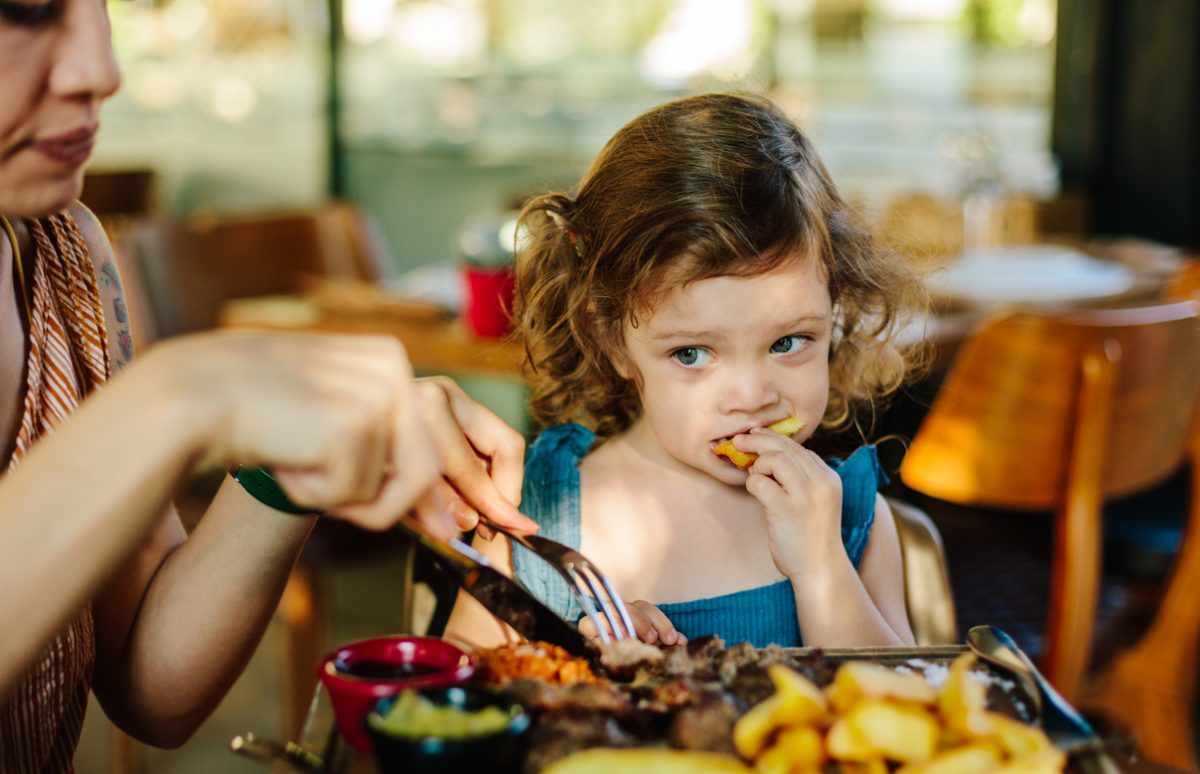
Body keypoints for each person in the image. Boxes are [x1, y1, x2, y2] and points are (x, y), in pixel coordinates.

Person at [0, 0, 533, 768]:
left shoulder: (66, 256)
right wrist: (182, 396)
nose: (101, 70)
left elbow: (152, 683)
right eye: (27, 7)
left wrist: (289, 468)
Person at [445, 93, 927, 651]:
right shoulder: (532, 522)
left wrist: (822, 568)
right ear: (612, 339)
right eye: (692, 354)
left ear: (834, 307)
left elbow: (900, 714)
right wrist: (575, 662)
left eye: (789, 342)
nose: (750, 396)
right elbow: (457, 702)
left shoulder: (850, 521)